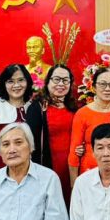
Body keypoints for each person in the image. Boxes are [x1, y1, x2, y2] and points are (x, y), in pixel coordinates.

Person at [25, 64, 79, 200]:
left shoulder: (75, 107)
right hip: (48, 164)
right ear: (48, 81)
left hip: (72, 166)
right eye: (56, 79)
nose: (61, 84)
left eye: (65, 80)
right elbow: (31, 142)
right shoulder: (37, 107)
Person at [68, 67, 110, 184]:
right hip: (88, 175)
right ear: (94, 87)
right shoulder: (82, 114)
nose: (107, 88)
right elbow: (74, 153)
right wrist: (74, 185)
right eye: (102, 84)